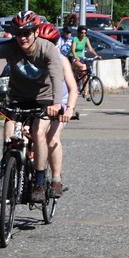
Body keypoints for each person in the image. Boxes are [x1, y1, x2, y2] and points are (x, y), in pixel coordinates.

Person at [0, 10, 64, 203]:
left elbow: (56, 76)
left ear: (35, 32)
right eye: (18, 33)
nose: (22, 38)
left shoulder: (47, 49)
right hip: (18, 98)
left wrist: (57, 103)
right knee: (9, 131)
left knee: (38, 132)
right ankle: (9, 170)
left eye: (26, 33)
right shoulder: (8, 48)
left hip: (44, 98)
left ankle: (39, 181)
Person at [37, 22, 79, 196]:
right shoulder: (32, 58)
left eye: (51, 42)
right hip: (38, 103)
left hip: (58, 104)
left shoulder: (61, 60)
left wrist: (69, 109)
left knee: (52, 137)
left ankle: (55, 180)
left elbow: (73, 89)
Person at [68, 25, 101, 100]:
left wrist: (97, 55)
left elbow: (91, 49)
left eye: (85, 33)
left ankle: (86, 93)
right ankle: (74, 82)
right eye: (82, 33)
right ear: (78, 33)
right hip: (73, 56)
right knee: (82, 67)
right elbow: (73, 50)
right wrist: (76, 57)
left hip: (81, 57)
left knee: (85, 73)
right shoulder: (75, 39)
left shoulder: (86, 39)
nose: (83, 34)